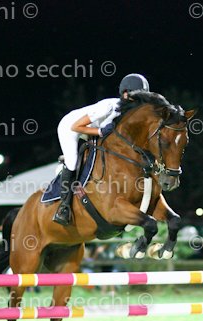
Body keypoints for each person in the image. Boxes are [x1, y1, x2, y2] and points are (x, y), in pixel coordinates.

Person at [53, 73, 150, 226]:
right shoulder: (108, 107)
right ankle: (63, 207)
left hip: (91, 129)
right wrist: (100, 132)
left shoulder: (130, 113)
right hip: (70, 127)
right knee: (72, 162)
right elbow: (76, 126)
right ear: (125, 94)